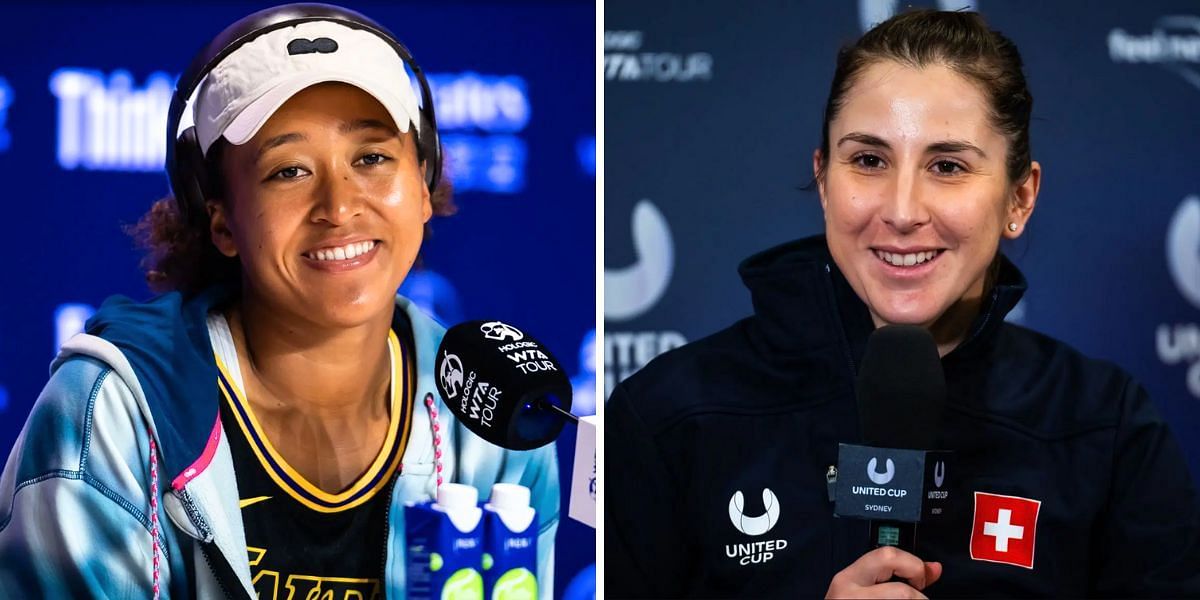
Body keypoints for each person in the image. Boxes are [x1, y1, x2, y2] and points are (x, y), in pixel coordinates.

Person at [606, 9, 1200, 598]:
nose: (902, 209)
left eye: (947, 166)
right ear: (823, 179)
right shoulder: (671, 415)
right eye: (869, 160)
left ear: (1020, 198)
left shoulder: (1104, 425)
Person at [0, 5, 559, 598]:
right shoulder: (110, 414)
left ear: (424, 184)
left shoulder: (492, 409)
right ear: (220, 222)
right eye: (288, 171)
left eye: (371, 159)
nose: (340, 207)